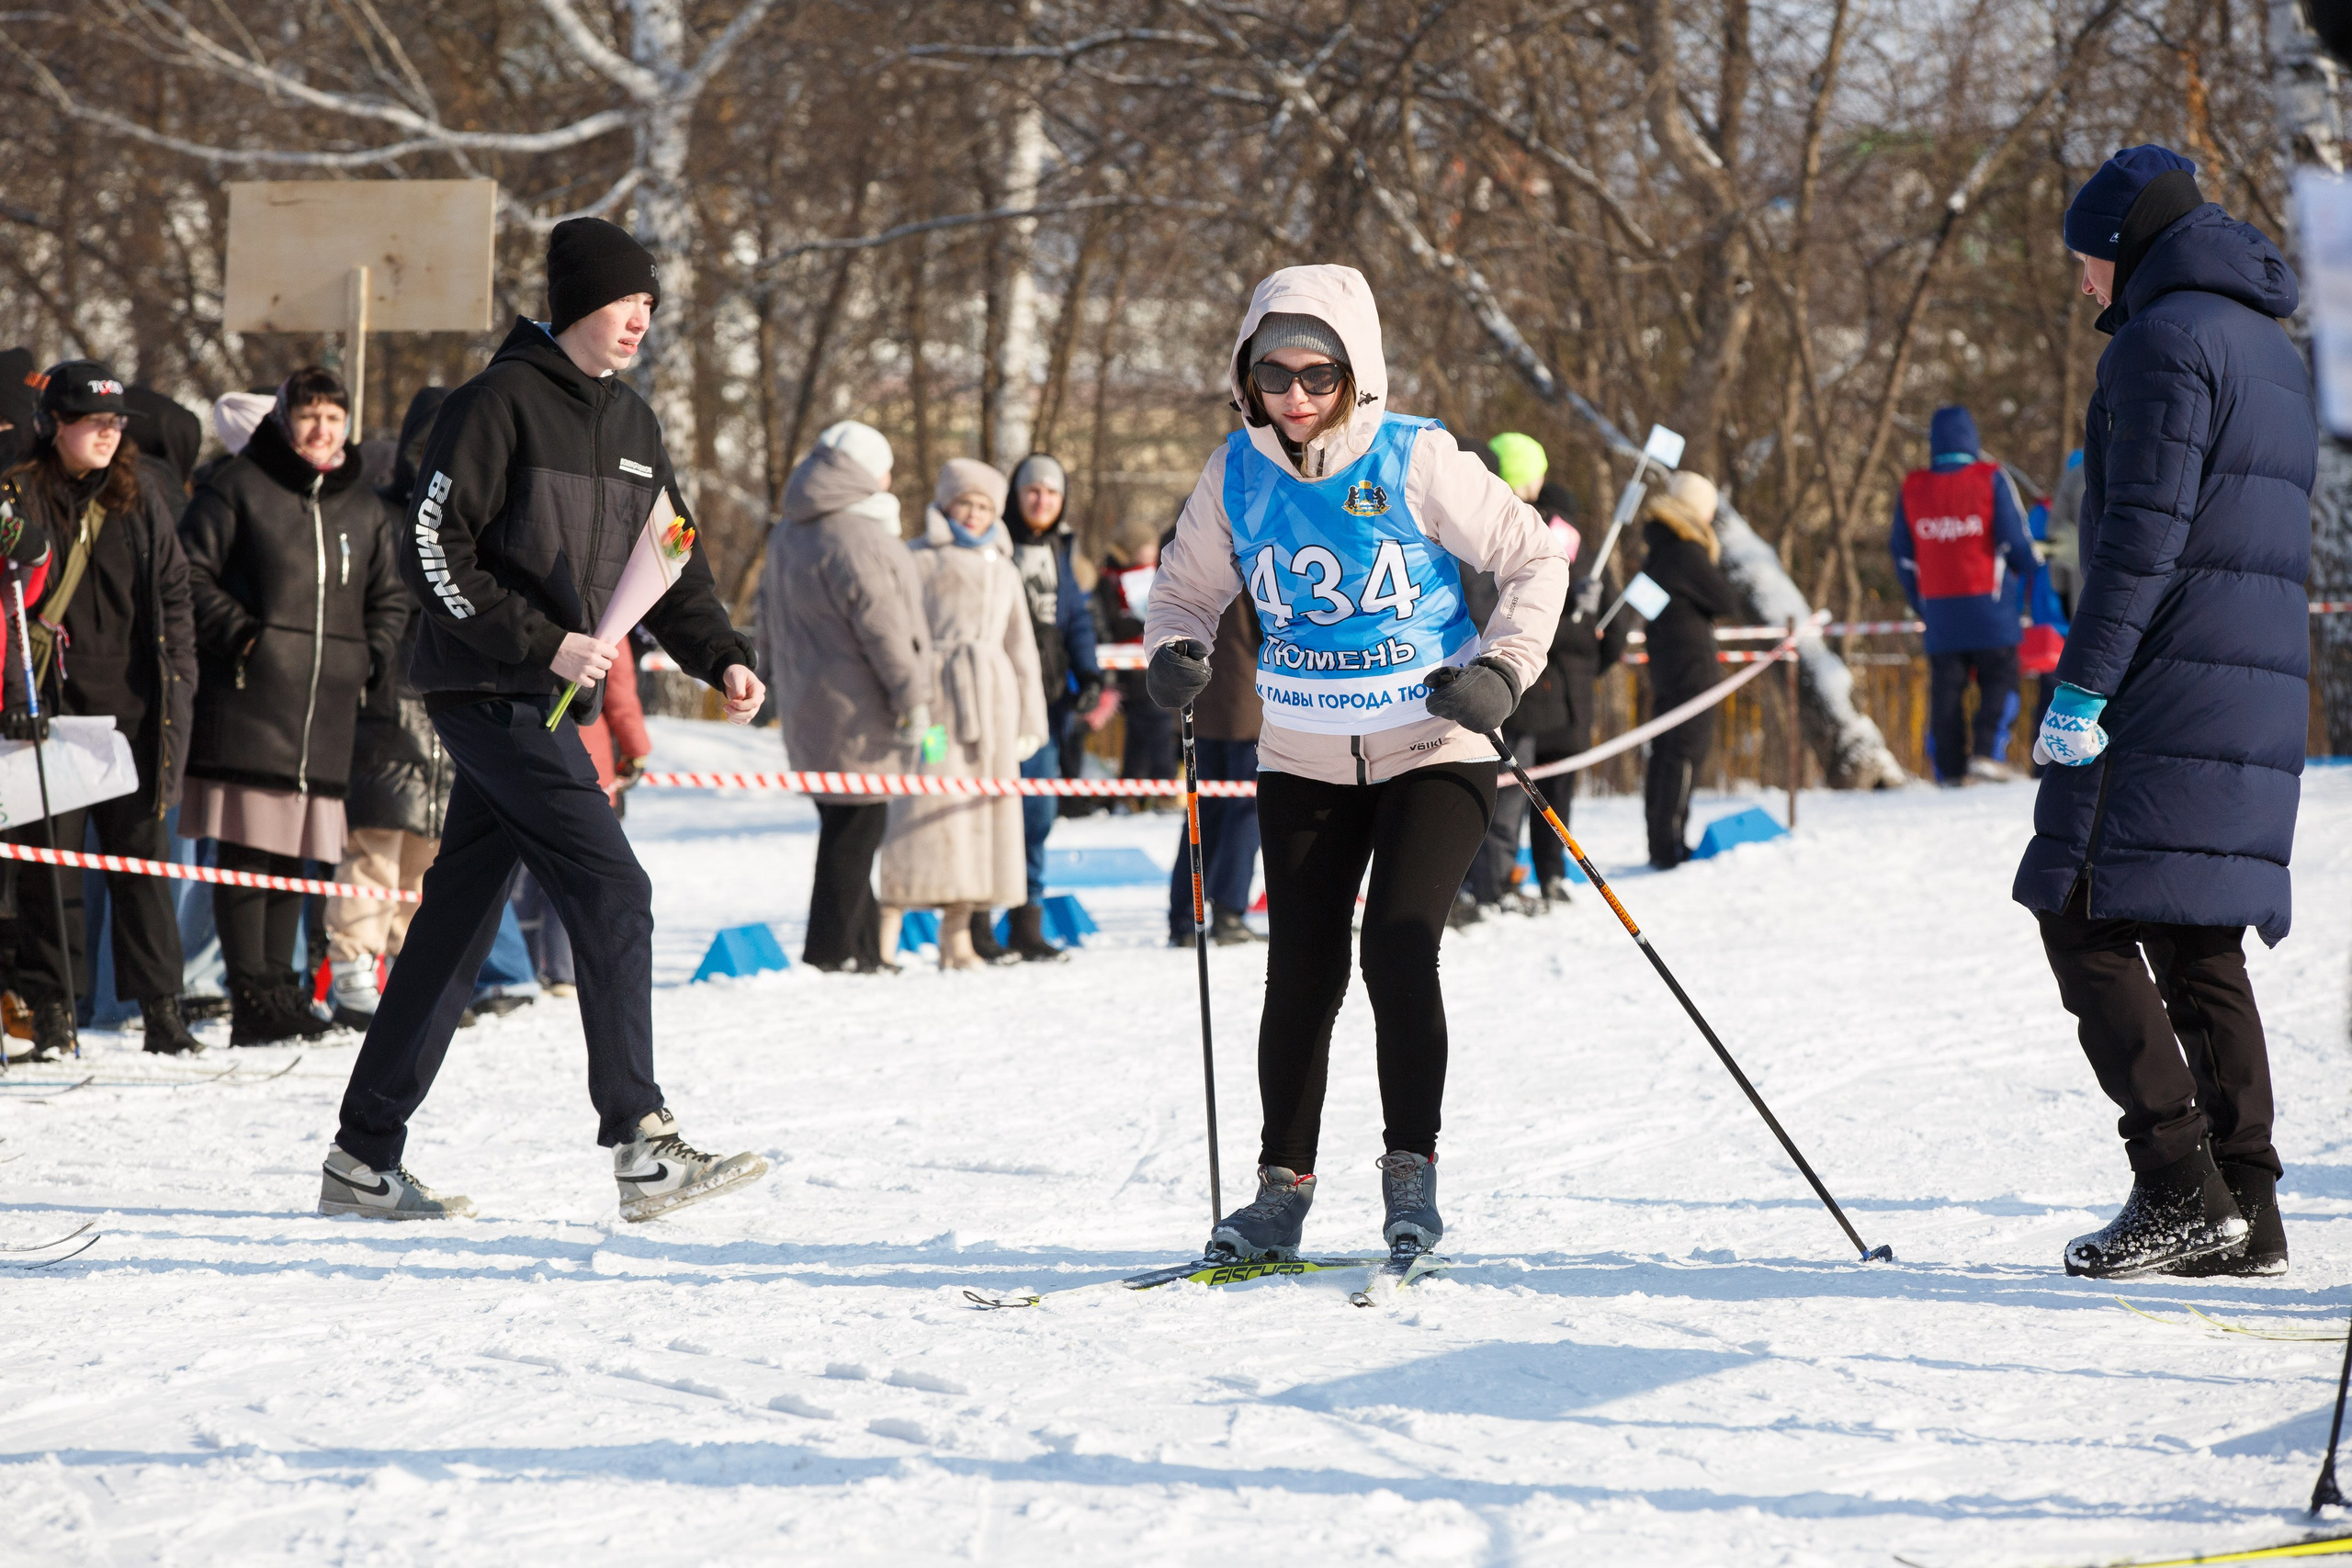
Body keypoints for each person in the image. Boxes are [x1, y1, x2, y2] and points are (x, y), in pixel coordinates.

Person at [322, 216, 770, 1222]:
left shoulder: (635, 424)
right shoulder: (496, 403)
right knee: (613, 886)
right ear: (575, 304)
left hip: (548, 698)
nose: (639, 321)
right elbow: (432, 549)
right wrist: (540, 641)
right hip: (489, 690)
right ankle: (641, 1142)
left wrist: (724, 656)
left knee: (454, 925)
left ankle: (362, 1153)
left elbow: (674, 561)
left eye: (649, 304)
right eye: (624, 302)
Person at [1143, 264, 1566, 1262]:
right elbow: (1184, 591)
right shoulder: (1234, 474)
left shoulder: (1416, 457)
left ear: (1355, 375)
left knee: (1397, 947)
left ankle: (1410, 1175)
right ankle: (1278, 1193)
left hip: (1434, 742)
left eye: (1317, 375)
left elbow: (1534, 557)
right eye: (1273, 374)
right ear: (1245, 376)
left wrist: (1503, 670)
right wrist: (1173, 650)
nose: (1294, 396)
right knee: (1301, 965)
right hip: (1302, 752)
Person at [2017, 146, 2315, 1280]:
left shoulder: (2159, 342)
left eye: (2087, 259)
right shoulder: (2267, 345)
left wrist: (2082, 687)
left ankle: (2178, 1183)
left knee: (2076, 908)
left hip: (2163, 677)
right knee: (2196, 936)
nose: (2082, 282)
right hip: (2248, 681)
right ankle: (2247, 1206)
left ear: (2126, 244)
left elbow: (2141, 535)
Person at [180, 367, 406, 1046]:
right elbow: (189, 573)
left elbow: (389, 597)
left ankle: (282, 991)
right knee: (249, 856)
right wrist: (245, 638)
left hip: (326, 713)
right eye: (309, 416)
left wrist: (365, 658)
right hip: (249, 705)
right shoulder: (238, 486)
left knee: (295, 859)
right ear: (284, 420)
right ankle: (252, 996)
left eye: (333, 418)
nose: (321, 430)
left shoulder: (360, 506)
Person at [0, 363, 198, 1058]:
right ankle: (54, 1012)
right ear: (55, 424)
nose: (109, 435)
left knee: (142, 869)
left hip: (136, 714)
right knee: (48, 870)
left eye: (116, 424)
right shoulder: (17, 495)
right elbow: (5, 607)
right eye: (94, 423)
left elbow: (174, 597)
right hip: (51, 713)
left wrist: (179, 686)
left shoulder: (140, 495)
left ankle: (163, 1013)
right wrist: (15, 697)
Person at [758, 420, 932, 974]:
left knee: (849, 826)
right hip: (859, 708)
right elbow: (885, 630)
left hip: (810, 705)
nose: (889, 480)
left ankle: (865, 949)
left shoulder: (790, 530)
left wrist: (765, 683)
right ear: (863, 472)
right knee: (855, 831)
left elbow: (765, 616)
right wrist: (912, 697)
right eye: (885, 469)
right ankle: (829, 951)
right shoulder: (856, 535)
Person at [876, 459, 1046, 970]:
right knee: (917, 809)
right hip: (934, 706)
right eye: (964, 503)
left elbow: (1021, 648)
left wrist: (1029, 721)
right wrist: (906, 701)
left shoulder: (1004, 567)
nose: (973, 514)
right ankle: (886, 929)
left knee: (981, 818)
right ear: (945, 505)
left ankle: (958, 937)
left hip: (993, 709)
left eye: (984, 506)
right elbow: (897, 633)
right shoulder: (917, 558)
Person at [325, 388, 452, 1030]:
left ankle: (411, 976)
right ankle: (352, 971)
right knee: (373, 847)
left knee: (426, 857)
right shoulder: (377, 515)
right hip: (384, 703)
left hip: (444, 714)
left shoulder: (474, 520)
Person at [1462, 433, 1594, 917]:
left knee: (1511, 791)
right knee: (1501, 792)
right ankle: (1489, 884)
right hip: (1500, 681)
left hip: (1510, 679)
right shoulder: (1499, 527)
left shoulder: (1510, 526)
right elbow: (1492, 604)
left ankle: (1496, 881)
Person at [1889, 404, 2038, 785]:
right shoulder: (1990, 478)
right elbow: (2017, 540)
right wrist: (2032, 569)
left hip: (1939, 610)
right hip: (1991, 609)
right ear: (1972, 439)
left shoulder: (1913, 487)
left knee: (1946, 691)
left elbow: (1902, 554)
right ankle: (1988, 754)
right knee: (2000, 681)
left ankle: (1950, 770)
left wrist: (1919, 602)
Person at [1001, 453, 1103, 962]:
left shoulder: (1060, 548)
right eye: (1032, 491)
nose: (1042, 501)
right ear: (1016, 496)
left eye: (1052, 493)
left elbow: (1075, 618)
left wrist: (1090, 673)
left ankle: (1027, 919)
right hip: (999, 701)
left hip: (1047, 703)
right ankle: (977, 918)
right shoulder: (996, 544)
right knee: (998, 812)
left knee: (1038, 813)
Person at [1637, 469, 1738, 870]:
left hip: (1665, 661)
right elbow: (1726, 600)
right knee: (1685, 751)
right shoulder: (1686, 551)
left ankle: (1660, 841)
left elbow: (1645, 606)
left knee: (1666, 750)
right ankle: (1671, 846)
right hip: (1690, 664)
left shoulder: (1657, 548)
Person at [1168, 592, 1264, 947]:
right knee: (1245, 811)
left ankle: (1184, 917)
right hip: (1245, 700)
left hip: (1200, 701)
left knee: (1202, 812)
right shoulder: (1251, 555)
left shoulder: (1182, 559)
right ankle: (1228, 910)